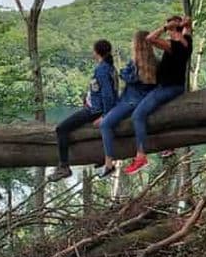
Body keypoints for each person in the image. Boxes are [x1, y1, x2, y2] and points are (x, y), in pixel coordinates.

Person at [123, 15, 193, 175]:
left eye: (169, 29)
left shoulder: (173, 45)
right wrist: (186, 24)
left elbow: (149, 39)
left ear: (172, 29)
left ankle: (141, 156)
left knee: (138, 115)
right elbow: (188, 28)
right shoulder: (187, 42)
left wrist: (165, 27)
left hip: (168, 88)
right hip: (175, 87)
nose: (167, 33)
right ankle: (168, 146)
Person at [48, 39, 118, 182]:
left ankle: (64, 167)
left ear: (97, 52)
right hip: (95, 107)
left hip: (95, 110)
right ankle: (100, 157)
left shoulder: (102, 69)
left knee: (61, 129)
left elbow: (108, 95)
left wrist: (106, 115)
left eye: (93, 50)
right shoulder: (110, 67)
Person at [95, 31, 158, 179]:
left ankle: (109, 163)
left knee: (105, 124)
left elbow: (127, 77)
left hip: (130, 101)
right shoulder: (156, 62)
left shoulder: (135, 64)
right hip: (143, 101)